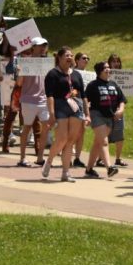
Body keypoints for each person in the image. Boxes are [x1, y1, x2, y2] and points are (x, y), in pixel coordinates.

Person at [41, 46, 89, 183]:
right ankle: (49, 161)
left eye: (71, 55)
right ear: (60, 58)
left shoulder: (77, 74)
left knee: (71, 141)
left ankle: (65, 172)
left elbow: (83, 95)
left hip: (75, 107)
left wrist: (87, 114)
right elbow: (49, 95)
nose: (70, 58)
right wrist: (51, 113)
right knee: (62, 138)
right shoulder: (52, 74)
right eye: (67, 55)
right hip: (60, 106)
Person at [84, 61, 126, 179]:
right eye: (105, 68)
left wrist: (121, 110)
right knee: (104, 142)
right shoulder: (93, 85)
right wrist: (87, 115)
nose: (108, 70)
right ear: (99, 71)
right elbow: (86, 101)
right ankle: (109, 168)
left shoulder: (113, 84)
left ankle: (89, 169)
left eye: (108, 67)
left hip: (110, 117)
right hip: (97, 115)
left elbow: (122, 100)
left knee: (97, 144)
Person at [16, 37, 51, 167]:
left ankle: (40, 157)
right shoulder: (26, 62)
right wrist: (20, 73)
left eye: (44, 46)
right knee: (27, 128)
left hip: (43, 100)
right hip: (28, 100)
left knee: (46, 127)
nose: (43, 48)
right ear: (33, 47)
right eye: (40, 45)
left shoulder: (46, 63)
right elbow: (19, 83)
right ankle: (22, 158)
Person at [106, 53, 129, 167]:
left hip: (118, 109)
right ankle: (101, 159)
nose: (116, 63)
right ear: (109, 63)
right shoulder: (105, 75)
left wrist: (131, 87)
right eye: (114, 61)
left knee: (119, 134)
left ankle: (118, 159)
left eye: (118, 61)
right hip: (105, 108)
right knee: (105, 135)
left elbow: (123, 95)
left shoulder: (124, 77)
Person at [72, 52, 92, 168]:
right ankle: (67, 155)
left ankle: (77, 158)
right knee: (72, 132)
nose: (86, 60)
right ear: (77, 60)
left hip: (85, 104)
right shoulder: (72, 73)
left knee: (81, 133)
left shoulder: (90, 75)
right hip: (73, 104)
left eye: (87, 58)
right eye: (84, 58)